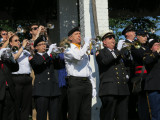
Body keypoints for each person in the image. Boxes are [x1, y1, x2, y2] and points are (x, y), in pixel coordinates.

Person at [64, 27, 96, 120]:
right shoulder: (68, 49)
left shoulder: (83, 49)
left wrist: (93, 86)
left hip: (86, 83)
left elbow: (88, 69)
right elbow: (77, 57)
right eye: (76, 34)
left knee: (86, 113)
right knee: (74, 112)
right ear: (70, 38)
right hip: (75, 82)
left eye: (79, 33)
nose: (79, 35)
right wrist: (86, 44)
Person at [96, 32, 130, 120]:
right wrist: (117, 51)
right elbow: (105, 62)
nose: (113, 40)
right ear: (104, 42)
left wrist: (127, 75)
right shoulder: (100, 52)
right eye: (110, 38)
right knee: (108, 116)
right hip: (109, 89)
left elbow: (128, 65)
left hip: (123, 88)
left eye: (113, 38)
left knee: (123, 116)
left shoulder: (119, 52)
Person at [29, 35, 61, 120]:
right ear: (36, 47)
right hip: (41, 90)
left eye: (45, 43)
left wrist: (56, 55)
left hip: (53, 89)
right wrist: (49, 52)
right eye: (41, 44)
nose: (44, 45)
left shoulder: (49, 56)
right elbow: (38, 63)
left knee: (54, 116)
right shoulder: (34, 57)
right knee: (41, 116)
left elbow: (59, 66)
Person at [9, 35, 33, 120]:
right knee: (16, 104)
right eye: (16, 40)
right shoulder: (10, 51)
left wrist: (31, 49)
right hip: (16, 79)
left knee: (26, 105)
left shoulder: (25, 52)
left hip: (27, 78)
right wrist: (22, 46)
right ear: (11, 43)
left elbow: (32, 60)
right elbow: (14, 58)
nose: (18, 42)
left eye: (19, 40)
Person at [117, 24, 137, 119]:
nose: (134, 33)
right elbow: (122, 57)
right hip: (129, 71)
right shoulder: (123, 43)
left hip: (137, 71)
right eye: (132, 31)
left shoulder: (137, 43)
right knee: (130, 99)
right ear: (127, 34)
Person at [131, 29, 150, 120]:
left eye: (146, 36)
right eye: (143, 36)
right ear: (137, 36)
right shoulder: (135, 46)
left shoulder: (147, 47)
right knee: (142, 104)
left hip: (150, 78)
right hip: (141, 78)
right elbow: (141, 56)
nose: (145, 37)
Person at [0, 47, 19, 120]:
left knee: (10, 114)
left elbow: (16, 68)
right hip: (1, 91)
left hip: (9, 91)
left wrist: (12, 58)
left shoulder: (6, 60)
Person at [143, 39, 160, 120]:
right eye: (156, 44)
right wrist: (156, 53)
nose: (158, 46)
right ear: (151, 48)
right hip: (154, 87)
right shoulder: (148, 55)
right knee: (155, 113)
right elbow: (147, 61)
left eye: (159, 44)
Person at [57, 38, 70, 120]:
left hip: (71, 84)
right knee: (62, 109)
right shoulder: (60, 55)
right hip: (62, 84)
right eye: (65, 47)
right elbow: (62, 57)